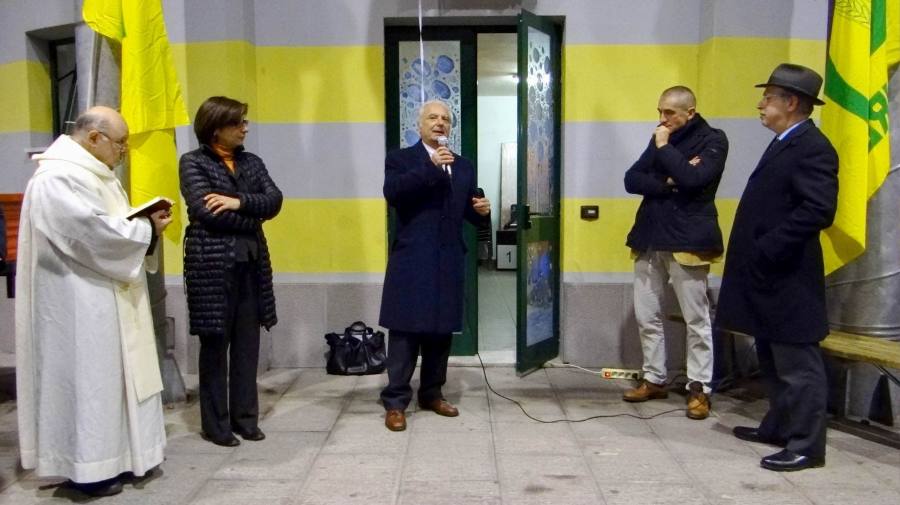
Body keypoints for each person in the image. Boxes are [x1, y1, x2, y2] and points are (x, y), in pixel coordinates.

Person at [16, 106, 172, 497]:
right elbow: (88, 234)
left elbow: (106, 226)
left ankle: (122, 458)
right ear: (93, 138)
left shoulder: (93, 172)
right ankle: (89, 470)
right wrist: (145, 229)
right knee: (91, 383)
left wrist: (142, 224)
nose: (123, 150)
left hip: (106, 293)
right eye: (120, 143)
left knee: (113, 381)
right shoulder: (58, 177)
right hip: (79, 304)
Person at [716, 63, 838, 471]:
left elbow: (818, 210)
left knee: (798, 364)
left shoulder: (813, 147)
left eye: (767, 98)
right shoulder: (786, 142)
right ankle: (779, 426)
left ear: (791, 103)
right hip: (769, 276)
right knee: (771, 357)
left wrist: (768, 246)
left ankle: (807, 445)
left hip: (789, 277)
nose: (760, 105)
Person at [379, 100, 491, 431]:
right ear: (420, 125)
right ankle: (396, 401)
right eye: (433, 117)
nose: (440, 123)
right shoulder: (400, 159)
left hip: (448, 258)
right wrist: (430, 166)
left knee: (440, 331)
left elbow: (466, 209)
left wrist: (481, 211)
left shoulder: (463, 165)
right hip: (412, 258)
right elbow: (394, 193)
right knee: (405, 331)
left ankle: (431, 393)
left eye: (445, 119)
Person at [180, 96, 282, 447]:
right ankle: (216, 425)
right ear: (215, 128)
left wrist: (238, 201)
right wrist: (253, 216)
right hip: (211, 268)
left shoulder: (251, 162)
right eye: (238, 123)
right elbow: (206, 212)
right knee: (214, 347)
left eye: (244, 122)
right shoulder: (193, 163)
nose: (245, 128)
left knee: (247, 346)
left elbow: (275, 200)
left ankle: (246, 419)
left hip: (251, 265)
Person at [623, 86, 728, 420]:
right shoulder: (660, 136)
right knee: (647, 315)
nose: (662, 118)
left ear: (690, 112)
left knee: (696, 319)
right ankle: (654, 378)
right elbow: (631, 179)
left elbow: (694, 179)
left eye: (669, 112)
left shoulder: (713, 140)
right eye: (660, 111)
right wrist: (667, 183)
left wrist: (665, 151)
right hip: (650, 237)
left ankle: (699, 388)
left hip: (688, 240)